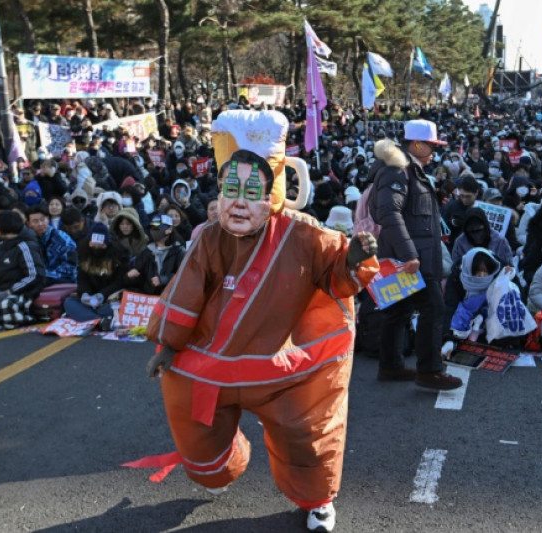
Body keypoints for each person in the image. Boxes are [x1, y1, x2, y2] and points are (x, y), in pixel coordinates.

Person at [132, 110, 379, 533]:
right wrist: (168, 345)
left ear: (274, 191)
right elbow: (186, 290)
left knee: (310, 434)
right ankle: (223, 465)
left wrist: (354, 259)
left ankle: (317, 501)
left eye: (252, 189)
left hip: (283, 371)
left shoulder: (305, 233)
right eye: (231, 187)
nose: (240, 200)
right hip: (213, 365)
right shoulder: (209, 236)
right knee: (195, 430)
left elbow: (337, 276)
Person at [369, 119, 463, 390]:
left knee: (398, 311)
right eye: (432, 144)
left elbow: (408, 210)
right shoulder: (397, 170)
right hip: (410, 259)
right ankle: (430, 371)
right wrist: (410, 254)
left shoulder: (409, 170)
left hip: (411, 255)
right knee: (433, 308)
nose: (435, 150)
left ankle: (391, 365)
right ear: (417, 144)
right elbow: (389, 213)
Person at [0, 210, 45, 329]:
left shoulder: (25, 246)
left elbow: (35, 275)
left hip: (19, 293)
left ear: (1, 228)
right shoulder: (0, 246)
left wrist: (9, 292)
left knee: (4, 307)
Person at [62, 222, 126, 329]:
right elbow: (82, 279)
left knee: (114, 307)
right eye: (93, 245)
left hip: (108, 298)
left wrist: (102, 295)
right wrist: (85, 294)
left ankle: (89, 318)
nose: (96, 248)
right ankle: (100, 321)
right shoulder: (84, 254)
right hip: (90, 299)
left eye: (100, 246)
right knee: (68, 302)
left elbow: (119, 281)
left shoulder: (118, 257)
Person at [125, 213, 184, 295]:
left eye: (158, 227)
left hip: (171, 298)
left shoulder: (179, 251)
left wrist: (163, 280)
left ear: (169, 229)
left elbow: (183, 276)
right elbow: (139, 280)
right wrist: (131, 276)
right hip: (149, 299)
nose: (154, 230)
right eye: (152, 227)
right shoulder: (147, 251)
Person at [27, 205, 77, 285]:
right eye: (35, 221)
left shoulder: (60, 237)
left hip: (65, 279)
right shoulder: (31, 240)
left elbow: (71, 265)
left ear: (48, 219)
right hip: (43, 278)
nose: (40, 224)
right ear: (29, 224)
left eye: (42, 220)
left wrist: (46, 275)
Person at [449, 207, 514, 268]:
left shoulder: (500, 241)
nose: (476, 235)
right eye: (471, 231)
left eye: (479, 230)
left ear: (485, 227)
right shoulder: (460, 242)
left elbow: (509, 265)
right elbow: (455, 266)